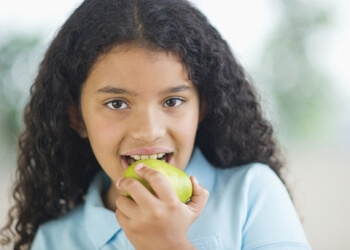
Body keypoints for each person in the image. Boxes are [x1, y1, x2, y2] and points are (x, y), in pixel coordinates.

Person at [0, 0, 311, 249]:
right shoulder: (55, 241)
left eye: (173, 101)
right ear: (77, 117)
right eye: (117, 103)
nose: (149, 131)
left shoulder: (251, 193)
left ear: (203, 106)